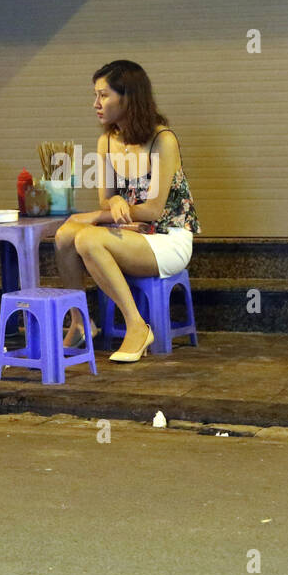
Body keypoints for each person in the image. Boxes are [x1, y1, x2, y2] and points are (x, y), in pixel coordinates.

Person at [54, 60, 200, 362]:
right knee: (66, 234)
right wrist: (114, 204)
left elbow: (154, 211)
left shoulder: (163, 140)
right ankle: (80, 322)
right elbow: (108, 200)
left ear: (128, 97)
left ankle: (137, 326)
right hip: (133, 233)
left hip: (167, 238)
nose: (95, 103)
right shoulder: (107, 141)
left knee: (88, 239)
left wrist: (96, 216)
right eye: (95, 95)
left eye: (103, 95)